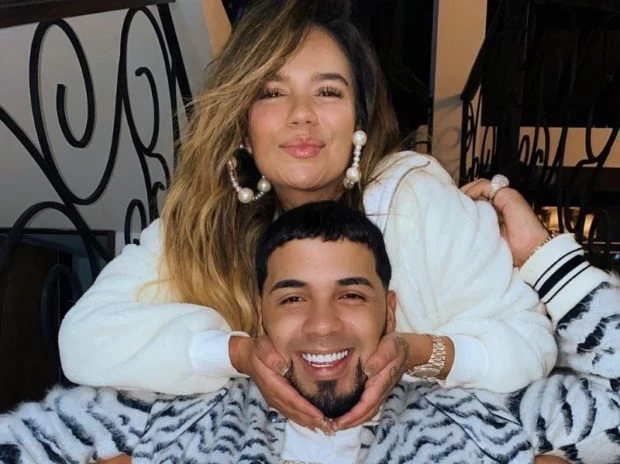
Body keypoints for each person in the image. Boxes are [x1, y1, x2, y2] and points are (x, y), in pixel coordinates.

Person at [57, 0, 557, 432]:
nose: (301, 114)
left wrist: (418, 352)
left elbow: (531, 344)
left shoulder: (413, 199)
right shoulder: (205, 223)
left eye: (328, 91)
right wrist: (237, 354)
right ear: (243, 125)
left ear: (359, 120)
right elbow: (84, 341)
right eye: (272, 92)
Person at [2, 201, 619, 464]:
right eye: (293, 298)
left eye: (351, 295)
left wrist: (541, 254)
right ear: (259, 315)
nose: (323, 324)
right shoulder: (175, 414)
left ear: (390, 311)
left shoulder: (472, 418)